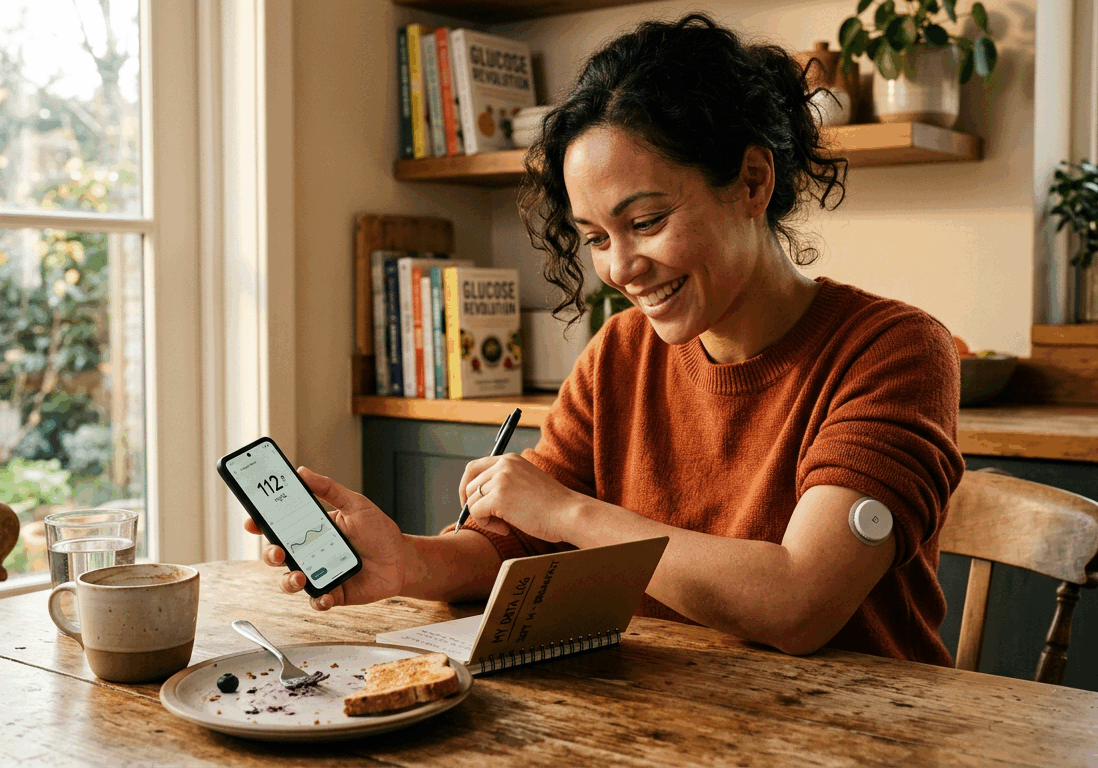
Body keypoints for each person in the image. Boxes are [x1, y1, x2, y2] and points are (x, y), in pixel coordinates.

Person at [247, 13, 964, 665]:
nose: (620, 268)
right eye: (596, 238)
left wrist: (567, 512)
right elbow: (519, 543)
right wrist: (405, 560)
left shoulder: (895, 350)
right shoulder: (622, 351)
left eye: (646, 221)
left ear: (751, 180)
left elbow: (799, 603)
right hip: (666, 722)